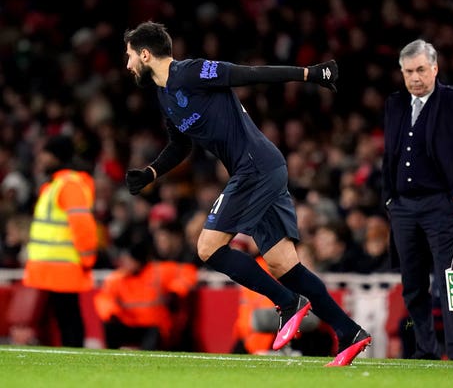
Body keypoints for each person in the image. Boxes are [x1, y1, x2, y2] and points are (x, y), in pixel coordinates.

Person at [122, 21, 370, 366]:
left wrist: (307, 74)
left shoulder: (190, 72)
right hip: (259, 170)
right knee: (284, 264)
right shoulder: (164, 96)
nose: (128, 63)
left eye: (130, 55)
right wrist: (151, 172)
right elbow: (179, 145)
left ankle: (288, 303)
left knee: (208, 247)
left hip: (256, 167)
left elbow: (247, 74)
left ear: (145, 54)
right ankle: (348, 332)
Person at [381, 39, 453, 360]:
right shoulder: (395, 104)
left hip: (443, 206)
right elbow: (389, 155)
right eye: (408, 71)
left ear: (435, 68)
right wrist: (389, 199)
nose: (415, 77)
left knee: (452, 280)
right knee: (412, 284)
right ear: (401, 72)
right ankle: (424, 349)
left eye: (421, 70)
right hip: (403, 208)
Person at [23, 135, 99, 347]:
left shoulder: (68, 186)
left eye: (45, 153)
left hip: (62, 266)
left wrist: (87, 259)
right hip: (51, 266)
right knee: (63, 318)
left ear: (56, 156)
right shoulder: (57, 185)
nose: (41, 158)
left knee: (68, 319)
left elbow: (82, 225)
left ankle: (75, 363)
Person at [94, 242, 198, 350]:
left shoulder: (159, 271)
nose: (125, 263)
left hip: (153, 326)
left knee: (154, 334)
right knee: (109, 326)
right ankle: (112, 356)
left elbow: (189, 271)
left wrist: (176, 291)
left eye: (128, 260)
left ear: (139, 260)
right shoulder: (117, 278)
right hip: (128, 324)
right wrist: (111, 313)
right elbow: (104, 298)